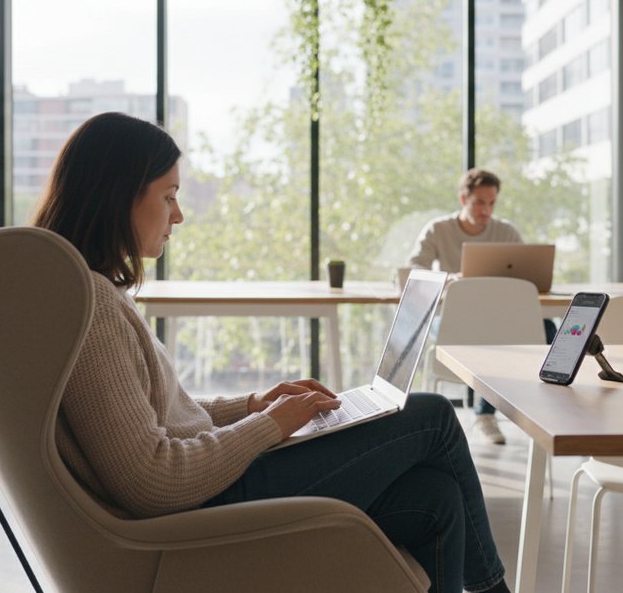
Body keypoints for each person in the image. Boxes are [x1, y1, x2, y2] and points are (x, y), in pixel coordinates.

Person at [33, 113, 509, 593]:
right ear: (119, 195)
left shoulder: (95, 296)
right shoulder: (95, 310)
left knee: (435, 498)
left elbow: (162, 420)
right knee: (430, 416)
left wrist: (252, 406)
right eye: (169, 196)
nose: (178, 215)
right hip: (202, 510)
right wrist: (269, 427)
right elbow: (153, 482)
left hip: (211, 490)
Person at [407, 168, 556, 445]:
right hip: (454, 322)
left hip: (500, 319)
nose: (485, 210)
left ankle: (522, 413)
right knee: (510, 334)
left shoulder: (506, 231)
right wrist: (450, 280)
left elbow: (527, 273)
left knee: (546, 329)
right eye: (479, 202)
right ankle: (485, 413)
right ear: (463, 199)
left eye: (491, 203)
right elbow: (415, 270)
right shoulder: (439, 229)